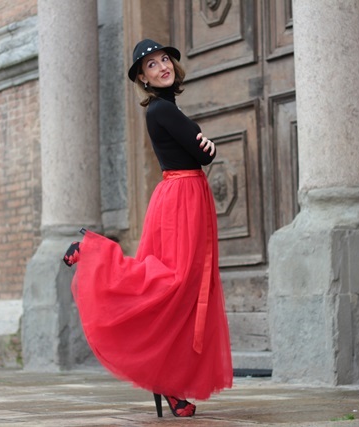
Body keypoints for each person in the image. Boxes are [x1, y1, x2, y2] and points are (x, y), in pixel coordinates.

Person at [62, 39, 232, 418]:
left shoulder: (168, 108)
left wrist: (202, 145)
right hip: (182, 197)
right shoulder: (161, 110)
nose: (161, 67)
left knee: (181, 291)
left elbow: (197, 150)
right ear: (143, 78)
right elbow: (203, 153)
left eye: (164, 59)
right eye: (151, 65)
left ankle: (168, 382)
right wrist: (207, 144)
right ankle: (94, 253)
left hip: (183, 194)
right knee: (171, 284)